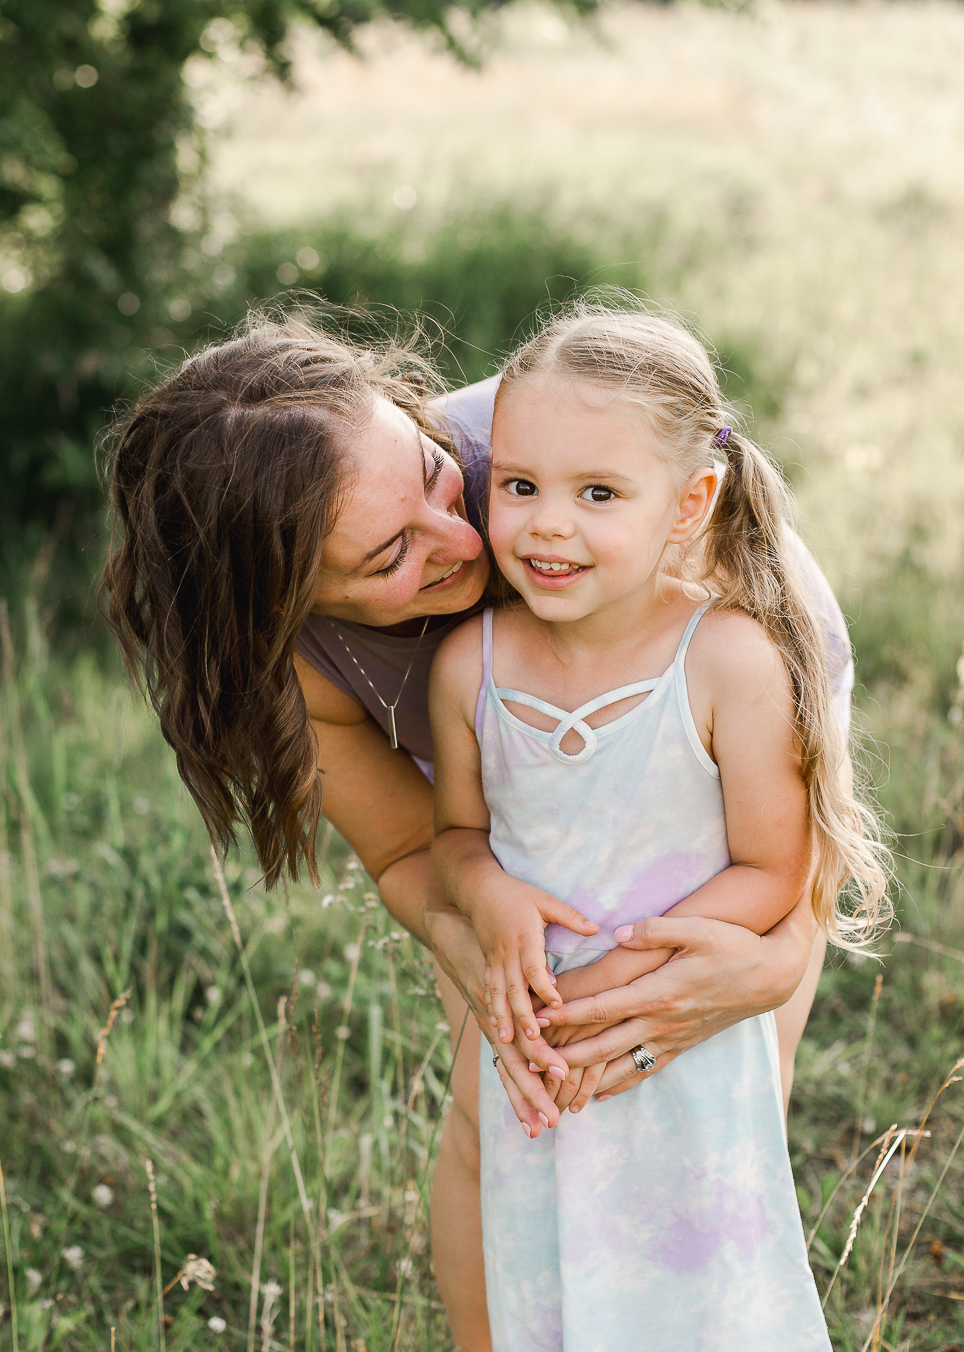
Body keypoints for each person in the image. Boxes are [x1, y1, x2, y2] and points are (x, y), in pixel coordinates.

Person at [99, 304, 855, 1350]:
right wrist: (496, 975)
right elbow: (417, 847)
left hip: (722, 787)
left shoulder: (579, 472)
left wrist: (768, 967)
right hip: (511, 820)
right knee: (487, 1117)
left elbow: (791, 839)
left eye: (427, 476)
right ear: (287, 605)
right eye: (386, 557)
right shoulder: (304, 669)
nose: (465, 539)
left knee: (705, 1114)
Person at [430, 305, 888, 1349]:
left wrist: (619, 985)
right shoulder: (472, 668)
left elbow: (773, 869)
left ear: (688, 505)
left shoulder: (727, 660)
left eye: (597, 494)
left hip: (669, 1034)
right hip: (539, 1056)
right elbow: (453, 836)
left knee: (690, 1299)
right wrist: (486, 890)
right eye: (519, 486)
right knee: (545, 1284)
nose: (548, 523)